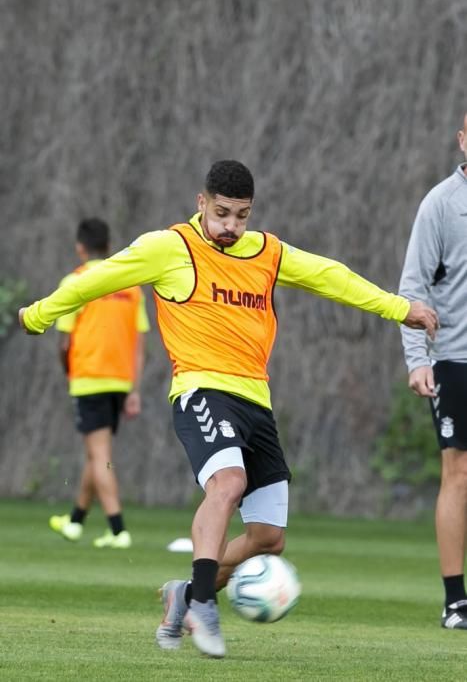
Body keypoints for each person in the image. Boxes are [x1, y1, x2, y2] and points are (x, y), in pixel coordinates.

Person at [19, 160, 438, 657]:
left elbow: (332, 277)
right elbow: (97, 279)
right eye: (222, 214)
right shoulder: (169, 248)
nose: (231, 227)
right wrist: (40, 314)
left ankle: (188, 591)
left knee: (267, 536)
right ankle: (203, 605)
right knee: (228, 483)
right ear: (201, 203)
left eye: (241, 216)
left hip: (255, 401)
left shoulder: (267, 253)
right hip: (200, 389)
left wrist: (398, 307)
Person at [399, 114, 467, 630]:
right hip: (454, 360)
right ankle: (455, 601)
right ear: (463, 140)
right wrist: (418, 361)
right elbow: (413, 289)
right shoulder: (441, 204)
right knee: (457, 473)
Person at [48, 218, 150, 549]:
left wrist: (68, 371)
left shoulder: (75, 281)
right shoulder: (131, 287)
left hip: (89, 377)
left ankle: (118, 529)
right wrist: (134, 389)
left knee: (101, 454)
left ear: (80, 247)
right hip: (120, 380)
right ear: (109, 247)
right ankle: (75, 520)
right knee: (97, 454)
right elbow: (139, 341)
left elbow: (64, 342)